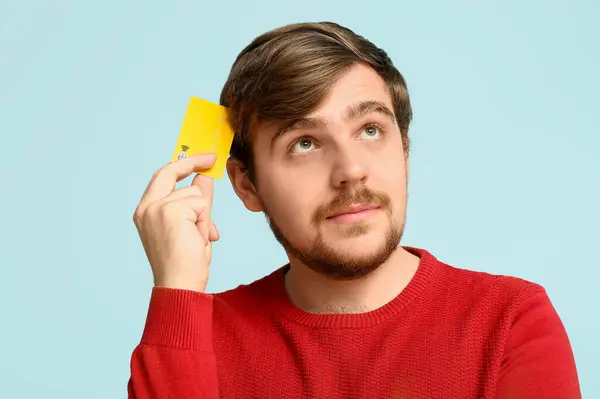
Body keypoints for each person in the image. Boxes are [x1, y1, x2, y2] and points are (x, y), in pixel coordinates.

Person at [127, 21, 581, 398]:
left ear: (404, 150)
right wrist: (178, 288)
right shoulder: (193, 337)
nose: (351, 170)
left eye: (369, 130)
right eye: (304, 143)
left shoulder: (510, 321)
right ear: (247, 185)